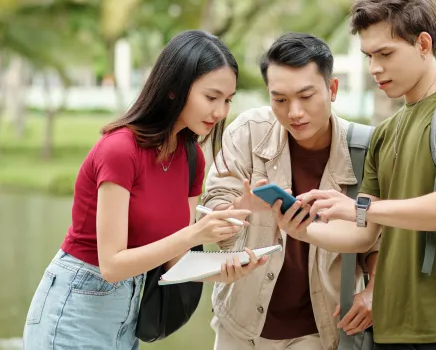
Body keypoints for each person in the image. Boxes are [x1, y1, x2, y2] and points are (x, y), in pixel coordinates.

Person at [281, 0, 436, 349]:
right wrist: (303, 230)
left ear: (424, 45)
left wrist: (362, 207)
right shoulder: (385, 133)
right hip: (389, 330)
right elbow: (365, 233)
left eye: (385, 53)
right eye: (369, 56)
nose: (375, 68)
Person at [22, 30, 268, 350]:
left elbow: (175, 263)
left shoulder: (191, 159)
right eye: (211, 97)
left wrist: (225, 268)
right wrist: (196, 234)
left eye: (227, 100)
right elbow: (111, 265)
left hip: (127, 315)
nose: (221, 112)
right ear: (173, 90)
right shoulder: (120, 150)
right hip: (76, 306)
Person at [201, 32, 380, 350]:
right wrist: (241, 207)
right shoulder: (246, 132)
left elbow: (379, 240)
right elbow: (216, 216)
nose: (294, 112)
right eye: (280, 100)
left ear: (332, 89)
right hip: (240, 328)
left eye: (306, 96)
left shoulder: (364, 151)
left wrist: (374, 290)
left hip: (319, 329)